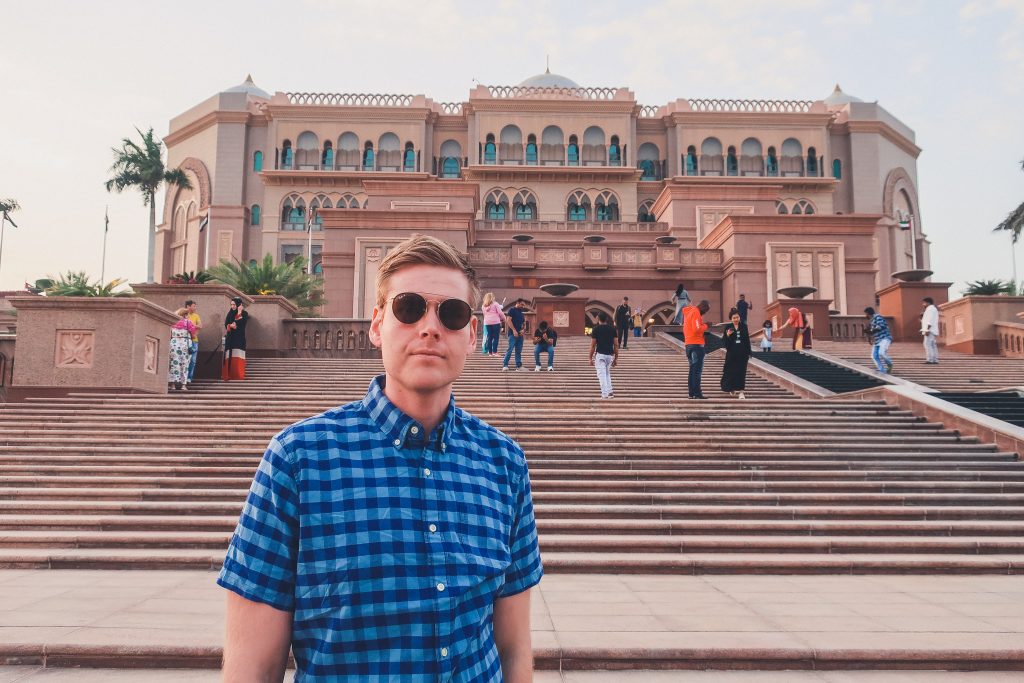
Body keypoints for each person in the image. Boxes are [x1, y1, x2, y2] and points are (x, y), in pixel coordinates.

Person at [219, 234, 541, 682]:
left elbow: (513, 649)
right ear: (377, 324)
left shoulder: (503, 463)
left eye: (450, 314)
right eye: (409, 308)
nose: (430, 328)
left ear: (471, 334)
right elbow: (252, 668)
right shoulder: (299, 460)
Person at [682, 300, 711, 399]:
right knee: (697, 371)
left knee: (692, 370)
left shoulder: (689, 312)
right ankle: (697, 393)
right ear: (703, 307)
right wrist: (706, 325)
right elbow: (696, 329)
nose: (705, 312)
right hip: (696, 345)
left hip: (689, 345)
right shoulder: (696, 312)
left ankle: (692, 393)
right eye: (706, 310)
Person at [721, 308, 751, 399]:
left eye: (737, 317)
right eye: (734, 318)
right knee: (730, 371)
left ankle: (741, 391)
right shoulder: (728, 327)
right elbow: (725, 342)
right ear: (731, 319)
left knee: (741, 372)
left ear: (739, 317)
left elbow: (747, 340)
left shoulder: (744, 326)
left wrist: (749, 352)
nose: (736, 319)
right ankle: (731, 388)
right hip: (732, 353)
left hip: (742, 353)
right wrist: (728, 336)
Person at [589, 311, 618, 398]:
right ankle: (610, 392)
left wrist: (590, 358)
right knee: (607, 373)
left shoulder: (596, 329)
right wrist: (616, 358)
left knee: (601, 375)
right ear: (607, 319)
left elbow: (593, 345)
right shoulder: (612, 329)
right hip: (609, 355)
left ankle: (605, 394)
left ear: (598, 319)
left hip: (600, 355)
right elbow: (616, 345)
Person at [168, 308, 197, 391]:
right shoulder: (188, 322)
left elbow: (169, 333)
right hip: (185, 345)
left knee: (173, 364)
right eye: (187, 314)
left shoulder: (172, 322)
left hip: (174, 344)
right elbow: (194, 335)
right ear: (185, 315)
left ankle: (172, 385)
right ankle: (183, 385)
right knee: (185, 365)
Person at [222, 297, 249, 381]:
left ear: (239, 304)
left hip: (239, 338)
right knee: (229, 355)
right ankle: (229, 374)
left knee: (238, 355)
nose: (232, 306)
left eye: (234, 304)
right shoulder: (229, 313)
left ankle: (238, 375)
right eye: (231, 304)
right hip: (230, 338)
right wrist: (230, 326)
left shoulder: (244, 313)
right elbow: (226, 324)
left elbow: (242, 322)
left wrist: (239, 312)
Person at [865, 306, 893, 374]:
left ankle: (890, 364)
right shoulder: (872, 321)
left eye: (866, 314)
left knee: (881, 353)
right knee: (874, 356)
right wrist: (869, 337)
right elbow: (872, 331)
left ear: (868, 313)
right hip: (877, 340)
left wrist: (871, 331)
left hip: (884, 338)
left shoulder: (878, 317)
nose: (866, 315)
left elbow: (879, 327)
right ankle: (882, 370)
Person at [502, 299, 527, 371]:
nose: (523, 306)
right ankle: (505, 365)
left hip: (520, 335)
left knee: (518, 351)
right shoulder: (512, 310)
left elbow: (524, 324)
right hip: (512, 334)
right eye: (522, 304)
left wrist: (523, 330)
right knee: (510, 349)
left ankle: (519, 366)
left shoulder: (521, 313)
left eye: (524, 305)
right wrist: (514, 330)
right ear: (517, 303)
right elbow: (508, 320)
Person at [184, 299, 203, 383]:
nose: (195, 308)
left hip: (194, 340)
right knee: (184, 359)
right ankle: (182, 377)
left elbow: (200, 326)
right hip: (184, 340)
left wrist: (191, 324)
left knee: (193, 360)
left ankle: (189, 377)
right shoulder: (183, 315)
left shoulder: (196, 316)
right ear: (188, 306)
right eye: (194, 306)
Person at [480, 292, 505, 356]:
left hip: (487, 322)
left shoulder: (483, 306)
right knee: (496, 337)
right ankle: (495, 352)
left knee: (489, 337)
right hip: (495, 322)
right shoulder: (495, 304)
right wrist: (503, 318)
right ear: (492, 297)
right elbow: (500, 313)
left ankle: (490, 353)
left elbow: (484, 314)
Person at [921, 297, 940, 364]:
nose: (923, 304)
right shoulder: (933, 309)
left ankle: (930, 359)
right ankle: (935, 359)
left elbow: (930, 320)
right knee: (932, 345)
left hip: (930, 330)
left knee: (927, 344)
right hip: (932, 330)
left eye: (924, 303)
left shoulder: (930, 309)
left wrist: (927, 330)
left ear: (928, 303)